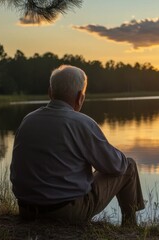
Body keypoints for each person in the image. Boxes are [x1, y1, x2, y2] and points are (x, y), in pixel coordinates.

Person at [10, 65, 145, 226]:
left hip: (26, 210)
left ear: (50, 92)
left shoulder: (28, 120)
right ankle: (130, 227)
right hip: (65, 213)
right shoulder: (81, 123)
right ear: (80, 97)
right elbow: (117, 166)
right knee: (128, 166)